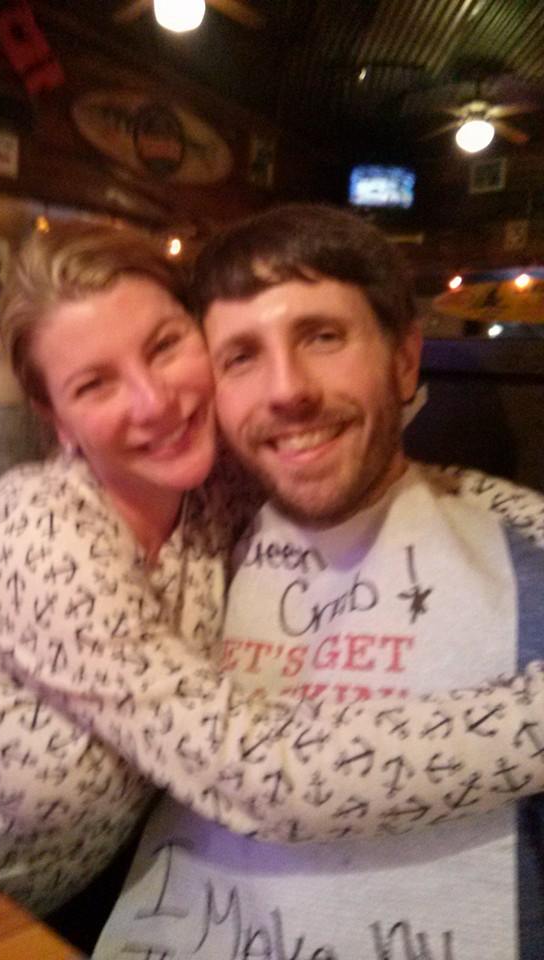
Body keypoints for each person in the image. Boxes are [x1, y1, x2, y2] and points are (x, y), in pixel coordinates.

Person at [0, 217, 544, 938]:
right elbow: (257, 774)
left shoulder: (210, 487)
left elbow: (397, 473)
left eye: (164, 346)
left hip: (51, 914)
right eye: (95, 383)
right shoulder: (40, 532)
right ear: (58, 420)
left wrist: (523, 513)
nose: (154, 402)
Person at [91, 204, 544, 959]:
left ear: (404, 360)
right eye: (240, 356)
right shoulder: (183, 549)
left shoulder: (522, 559)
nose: (287, 390)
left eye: (323, 337)